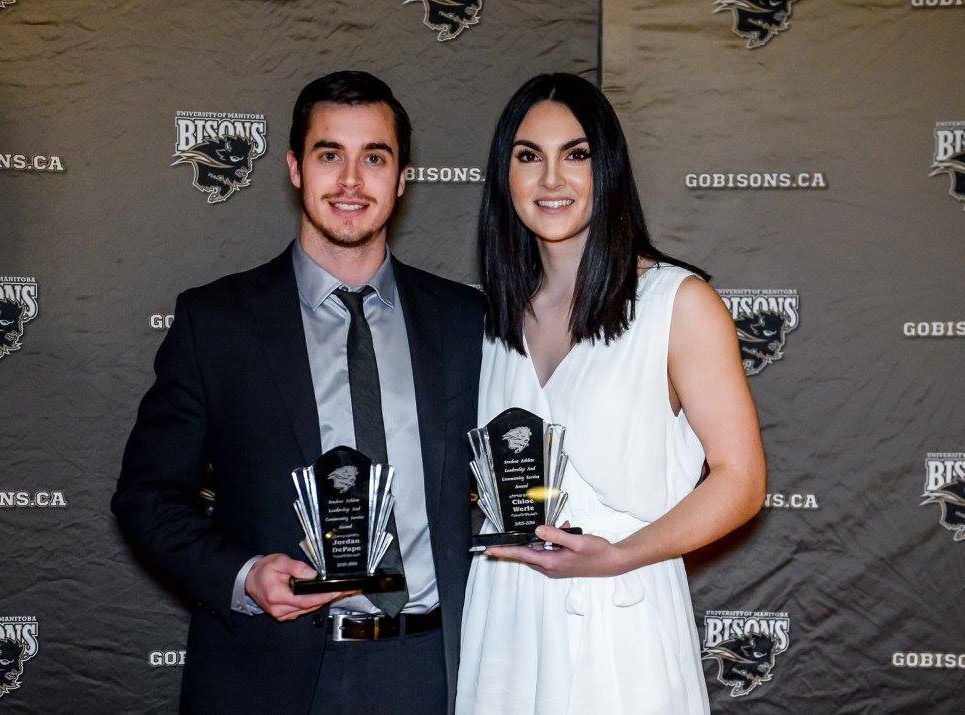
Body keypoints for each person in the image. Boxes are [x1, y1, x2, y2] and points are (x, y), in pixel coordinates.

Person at [113, 70, 484, 714]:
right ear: (293, 167)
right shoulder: (216, 322)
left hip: (430, 671)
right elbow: (148, 498)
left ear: (402, 179)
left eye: (374, 157)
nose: (350, 180)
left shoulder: (466, 321)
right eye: (328, 154)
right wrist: (244, 575)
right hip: (265, 674)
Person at [456, 73, 767, 714]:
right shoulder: (487, 320)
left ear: (610, 168)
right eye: (527, 157)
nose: (551, 180)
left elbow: (742, 480)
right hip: (505, 620)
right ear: (502, 175)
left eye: (576, 155)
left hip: (621, 618)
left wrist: (619, 556)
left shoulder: (677, 304)